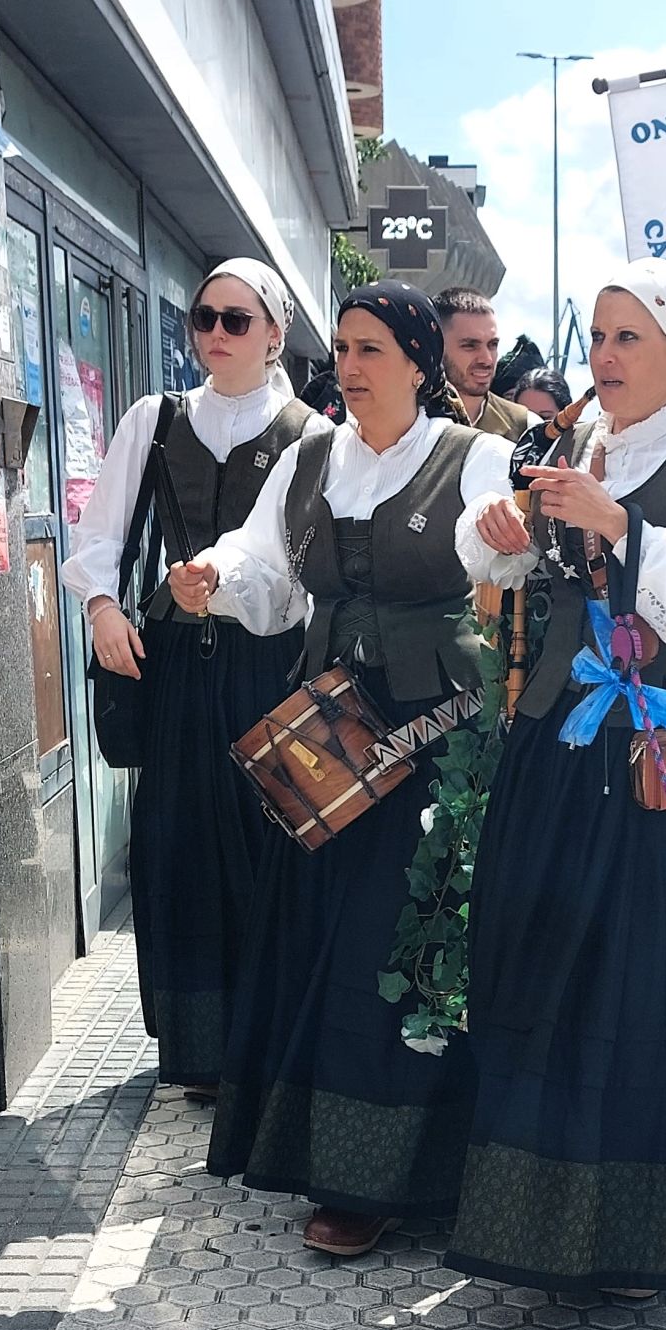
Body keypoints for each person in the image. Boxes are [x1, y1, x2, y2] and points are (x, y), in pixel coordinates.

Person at [173, 281, 524, 1259]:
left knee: (404, 941)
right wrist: (213, 579)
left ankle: (397, 1176)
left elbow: (507, 575)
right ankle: (338, 1161)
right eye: (343, 348)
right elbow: (267, 575)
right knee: (322, 933)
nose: (352, 367)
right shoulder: (308, 459)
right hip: (332, 734)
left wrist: (511, 550)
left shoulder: (478, 457)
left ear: (420, 360)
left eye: (372, 349)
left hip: (438, 737)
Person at [443, 260, 666, 1297]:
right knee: (536, 956)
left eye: (630, 338)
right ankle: (534, 1213)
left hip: (653, 761)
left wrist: (620, 523)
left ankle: (639, 1227)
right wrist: (499, 536)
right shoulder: (571, 443)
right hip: (557, 738)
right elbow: (503, 562)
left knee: (644, 981)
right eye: (598, 337)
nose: (607, 356)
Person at [62, 258, 321, 1099]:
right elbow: (100, 531)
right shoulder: (156, 418)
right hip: (174, 663)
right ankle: (195, 1044)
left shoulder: (311, 435)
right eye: (203, 318)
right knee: (175, 845)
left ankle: (267, 1032)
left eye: (235, 320)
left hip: (266, 666)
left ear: (274, 332)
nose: (214, 333)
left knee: (264, 843)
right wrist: (103, 608)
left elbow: (308, 573)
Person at [433, 286, 534, 439]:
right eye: (470, 345)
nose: (486, 359)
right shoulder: (407, 421)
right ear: (437, 347)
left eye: (492, 345)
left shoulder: (524, 426)